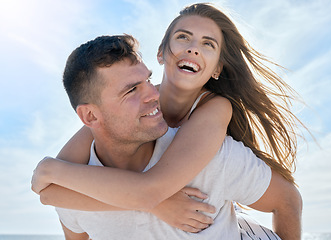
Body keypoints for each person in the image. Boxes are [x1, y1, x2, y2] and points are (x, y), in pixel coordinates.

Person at [32, 3, 303, 239]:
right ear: (161, 53)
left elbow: (149, 190)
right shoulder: (137, 106)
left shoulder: (214, 110)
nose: (194, 49)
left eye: (208, 44)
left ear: (218, 68)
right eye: (184, 37)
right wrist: (154, 204)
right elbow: (49, 191)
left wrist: (49, 170)